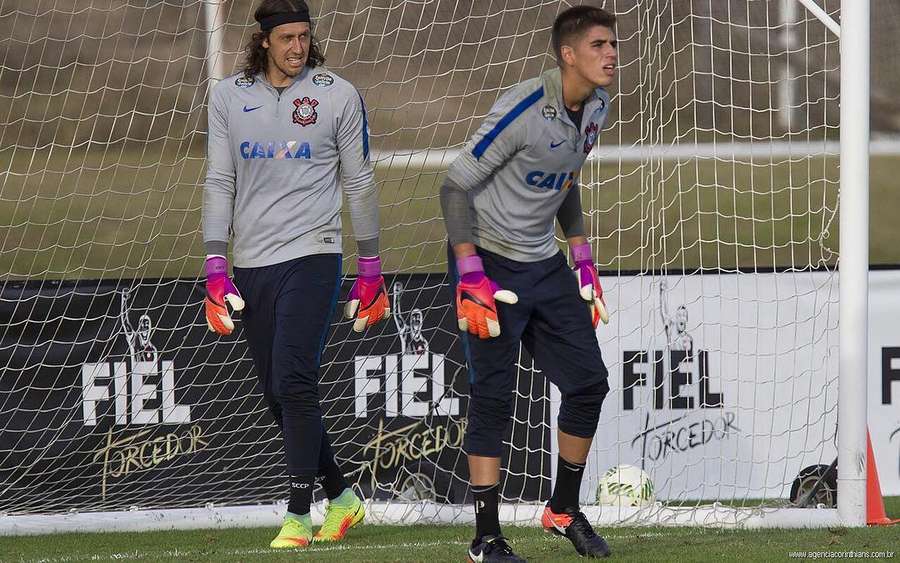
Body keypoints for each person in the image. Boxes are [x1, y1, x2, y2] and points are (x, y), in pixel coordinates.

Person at [201, 0, 389, 549]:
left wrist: (370, 267)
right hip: (252, 263)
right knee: (276, 395)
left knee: (295, 378)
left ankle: (298, 514)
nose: (297, 47)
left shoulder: (337, 94)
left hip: (315, 254)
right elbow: (218, 182)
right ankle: (345, 497)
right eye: (286, 37)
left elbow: (360, 183)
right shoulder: (227, 96)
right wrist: (216, 265)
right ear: (263, 40)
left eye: (304, 36)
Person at [440, 6, 618, 561]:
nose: (611, 55)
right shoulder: (521, 108)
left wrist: (582, 253)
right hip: (487, 261)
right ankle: (485, 538)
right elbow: (452, 188)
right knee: (493, 396)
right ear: (568, 55)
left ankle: (563, 510)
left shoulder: (598, 107)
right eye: (598, 46)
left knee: (589, 383)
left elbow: (563, 179)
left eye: (613, 45)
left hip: (544, 263)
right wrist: (470, 275)